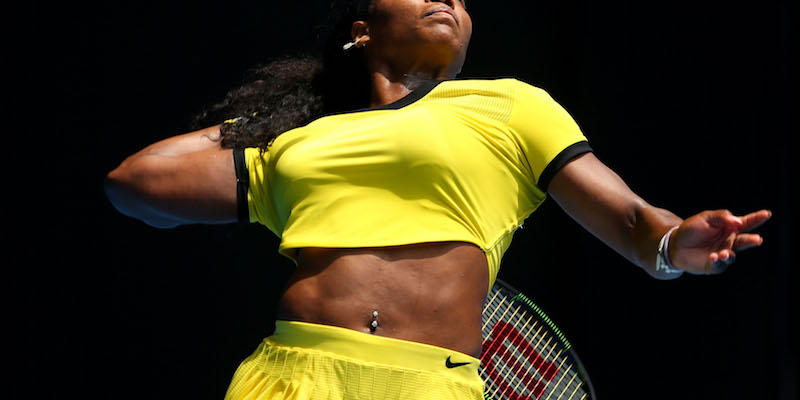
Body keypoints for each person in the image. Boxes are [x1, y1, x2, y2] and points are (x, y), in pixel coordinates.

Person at [104, 0, 772, 399]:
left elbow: (631, 220)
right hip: (292, 374)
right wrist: (274, 120)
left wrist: (674, 243)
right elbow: (134, 182)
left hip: (429, 383)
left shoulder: (509, 106)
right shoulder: (302, 144)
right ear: (363, 28)